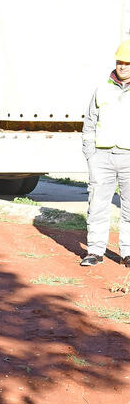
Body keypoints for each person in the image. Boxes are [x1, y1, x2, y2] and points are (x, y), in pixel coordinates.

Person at [79, 40, 130, 267]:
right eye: (120, 62)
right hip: (102, 157)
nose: (123, 67)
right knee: (98, 205)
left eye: (128, 63)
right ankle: (95, 251)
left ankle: (127, 253)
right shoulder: (101, 88)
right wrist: (90, 154)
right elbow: (90, 122)